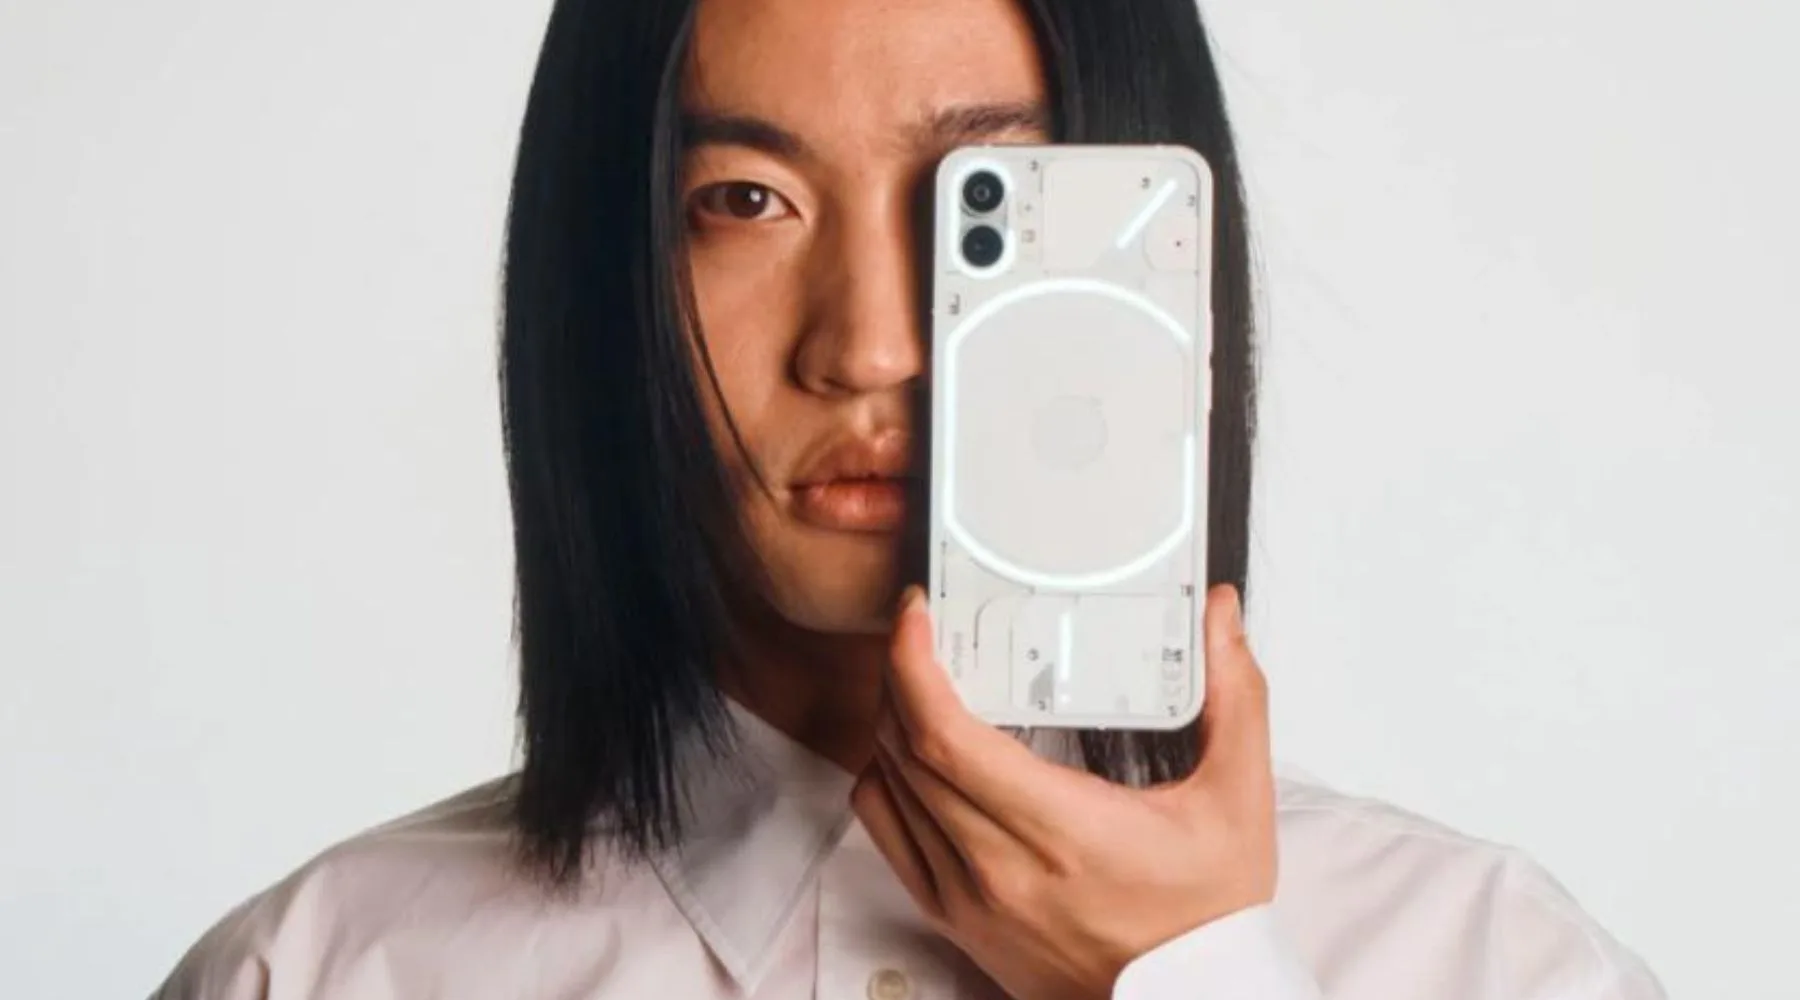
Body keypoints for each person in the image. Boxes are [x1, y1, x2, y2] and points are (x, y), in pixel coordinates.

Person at [152, 0, 1668, 997]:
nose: (873, 344)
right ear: (599, 278)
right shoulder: (322, 972)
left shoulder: (1485, 962)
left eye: (985, 207)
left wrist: (1193, 981)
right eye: (745, 202)